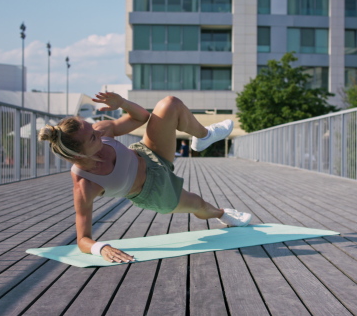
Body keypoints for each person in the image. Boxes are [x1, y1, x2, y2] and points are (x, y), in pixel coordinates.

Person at [38, 92, 252, 264]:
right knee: (199, 205)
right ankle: (222, 213)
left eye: (93, 128)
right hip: (154, 192)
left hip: (149, 154)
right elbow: (82, 239)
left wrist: (122, 102)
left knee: (170, 104)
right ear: (78, 155)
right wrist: (101, 248)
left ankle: (203, 136)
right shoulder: (85, 185)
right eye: (93, 137)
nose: (99, 133)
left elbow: (142, 117)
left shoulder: (100, 130)